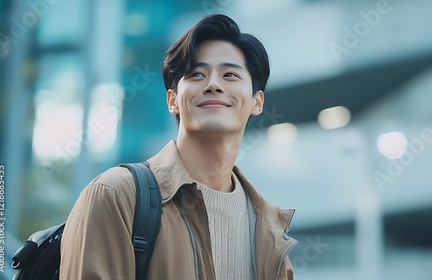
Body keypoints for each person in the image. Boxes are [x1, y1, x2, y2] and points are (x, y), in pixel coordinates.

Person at [60, 14, 297, 280]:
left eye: (230, 74)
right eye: (197, 74)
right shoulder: (116, 196)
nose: (213, 85)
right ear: (172, 100)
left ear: (257, 101)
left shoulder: (270, 232)